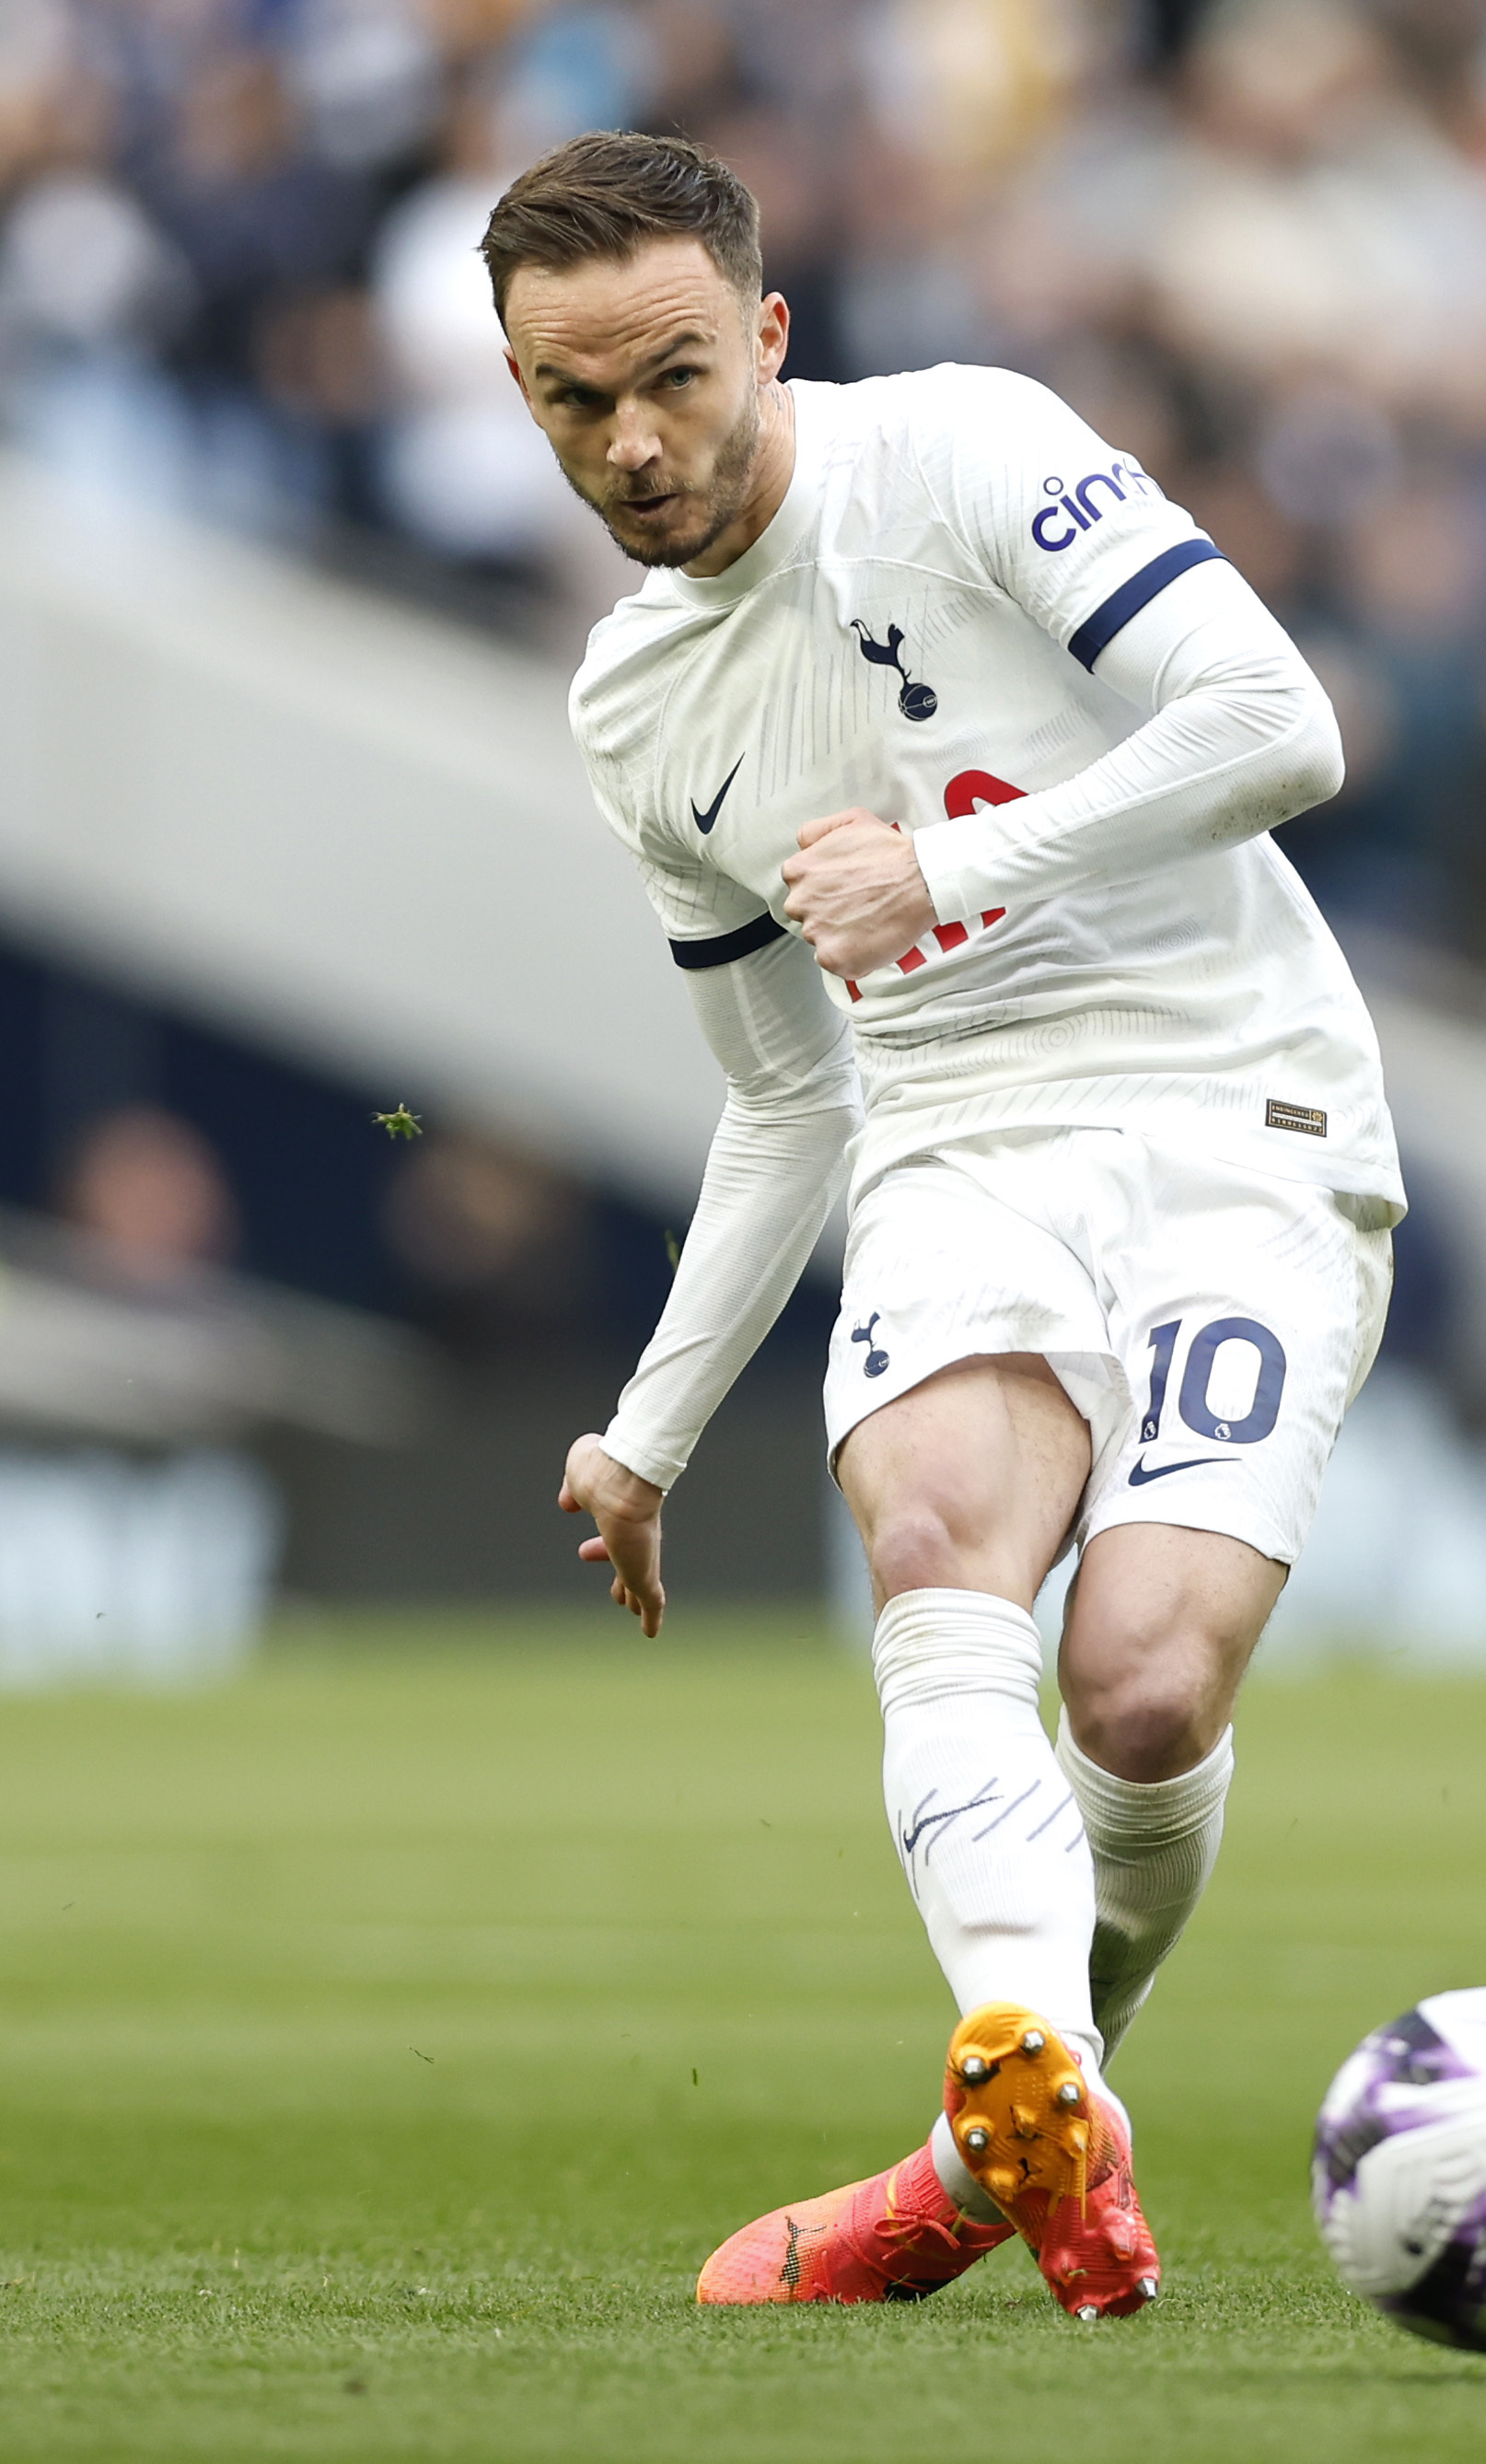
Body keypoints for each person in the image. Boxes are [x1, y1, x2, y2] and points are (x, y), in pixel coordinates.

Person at [484, 131, 1402, 2320]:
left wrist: (955, 873)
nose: (632, 443)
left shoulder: (968, 449)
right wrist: (651, 1428)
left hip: (1241, 1106)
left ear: (770, 335)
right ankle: (1028, 2076)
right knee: (935, 1544)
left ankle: (984, 2149)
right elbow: (790, 1095)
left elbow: (1284, 727)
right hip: (957, 1136)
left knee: (1149, 1690)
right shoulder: (636, 706)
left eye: (674, 377)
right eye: (567, 401)